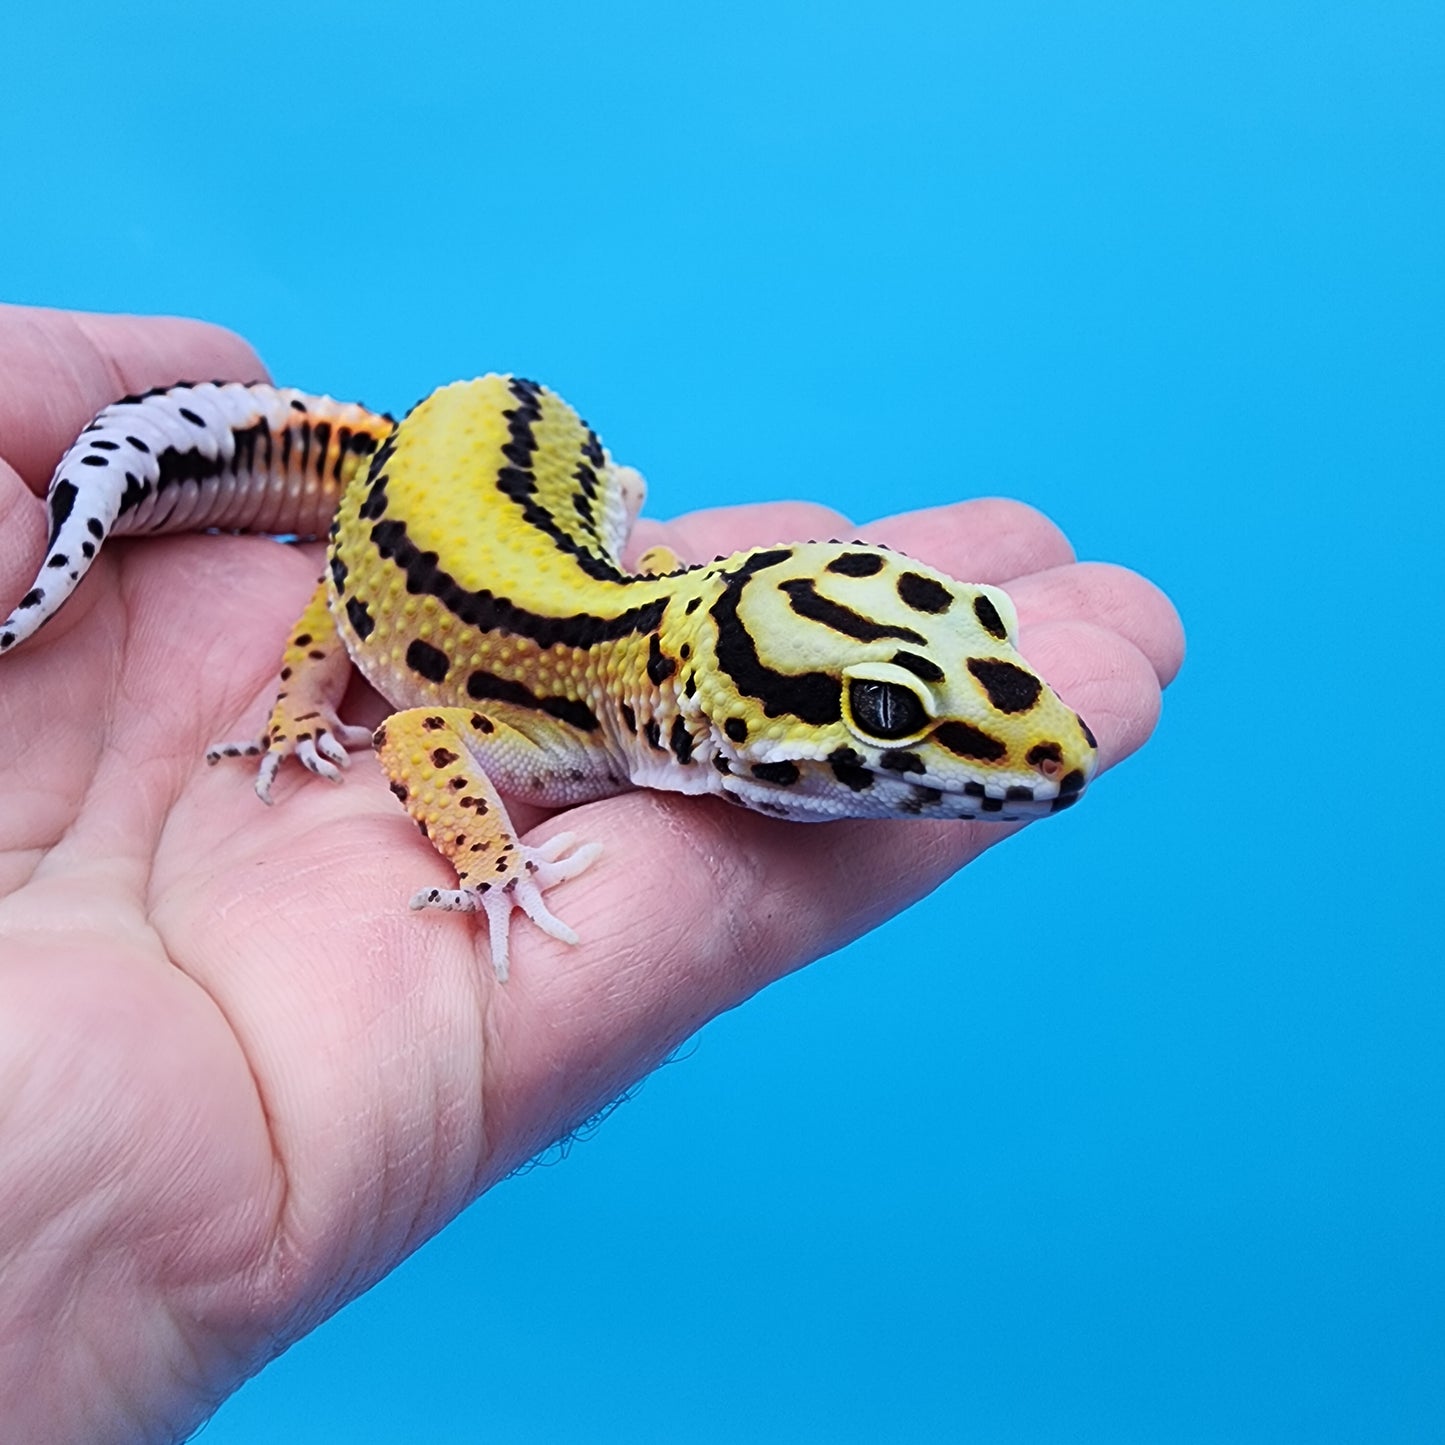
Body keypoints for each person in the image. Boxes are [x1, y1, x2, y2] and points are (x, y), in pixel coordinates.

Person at [0, 303, 1184, 1443]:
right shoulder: (561, 716)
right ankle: (338, 573)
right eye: (887, 715)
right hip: (418, 494)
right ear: (702, 711)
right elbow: (418, 733)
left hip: (508, 470)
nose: (1020, 743)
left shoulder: (650, 662)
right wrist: (483, 850)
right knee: (363, 578)